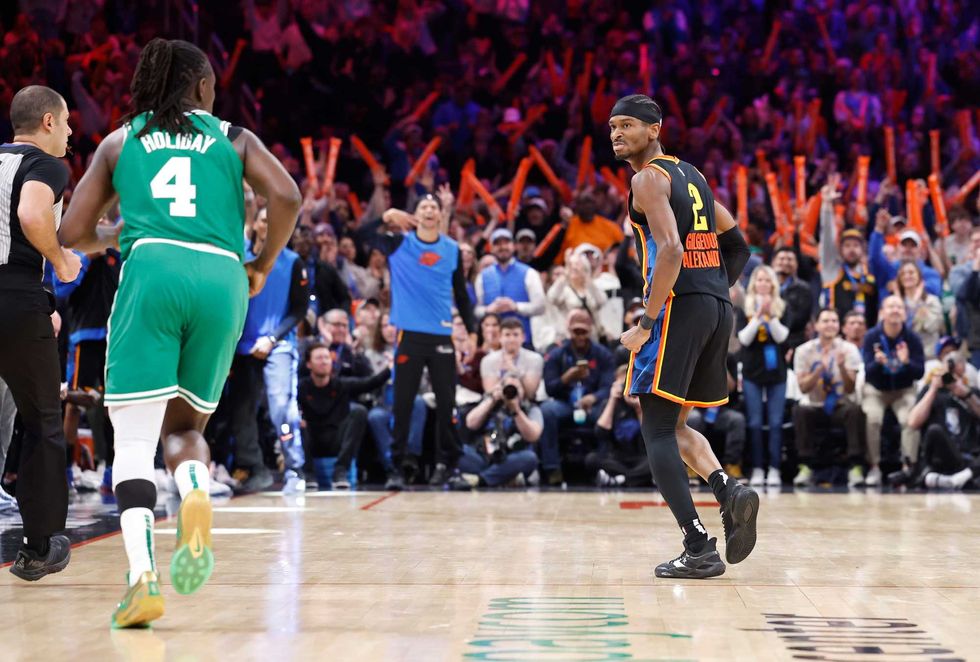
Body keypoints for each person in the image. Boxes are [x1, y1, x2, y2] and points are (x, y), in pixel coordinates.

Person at [60, 39, 301, 628]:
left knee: (135, 441)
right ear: (198, 88)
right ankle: (195, 485)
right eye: (213, 84)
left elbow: (71, 230)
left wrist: (119, 234)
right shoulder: (233, 137)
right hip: (221, 276)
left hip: (154, 272)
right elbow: (289, 195)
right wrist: (263, 263)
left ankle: (142, 578)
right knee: (187, 427)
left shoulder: (122, 140)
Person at [611, 94, 756, 579]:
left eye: (627, 125)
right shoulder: (692, 176)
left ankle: (697, 546)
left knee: (654, 428)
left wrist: (647, 322)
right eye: (612, 126)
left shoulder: (647, 178)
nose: (616, 133)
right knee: (673, 424)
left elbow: (670, 248)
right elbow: (737, 245)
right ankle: (727, 491)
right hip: (715, 309)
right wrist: (711, 287)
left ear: (654, 129)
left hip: (676, 310)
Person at [0, 85, 78, 581]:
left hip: (23, 298)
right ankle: (39, 546)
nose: (71, 133)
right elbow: (30, 214)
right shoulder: (46, 166)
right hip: (15, 299)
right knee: (42, 421)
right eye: (67, 122)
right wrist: (61, 261)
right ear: (48, 122)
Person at [378, 193, 476, 489]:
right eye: (424, 206)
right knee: (403, 405)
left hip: (442, 335)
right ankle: (398, 467)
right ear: (415, 214)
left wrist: (471, 332)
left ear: (440, 214)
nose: (430, 210)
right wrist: (387, 215)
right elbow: (363, 235)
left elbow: (461, 294)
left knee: (448, 405)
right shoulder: (398, 244)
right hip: (409, 336)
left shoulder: (452, 250)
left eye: (434, 207)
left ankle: (450, 466)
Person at [227, 207, 308, 494]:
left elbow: (300, 309)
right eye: (264, 219)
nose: (270, 223)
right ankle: (253, 468)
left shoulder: (293, 261)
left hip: (278, 346)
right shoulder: (238, 257)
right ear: (256, 225)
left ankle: (294, 468)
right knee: (242, 411)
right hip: (241, 346)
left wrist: (272, 338)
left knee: (281, 409)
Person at [299, 343, 391, 488]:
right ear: (309, 364)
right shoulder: (301, 387)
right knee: (293, 421)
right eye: (318, 358)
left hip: (337, 439)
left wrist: (389, 369)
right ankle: (308, 474)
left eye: (326, 358)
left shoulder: (341, 385)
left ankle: (340, 471)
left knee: (359, 411)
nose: (323, 361)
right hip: (311, 440)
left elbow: (370, 383)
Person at [792, 308, 866, 488]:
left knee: (855, 410)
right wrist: (818, 371)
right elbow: (803, 388)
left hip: (840, 405)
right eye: (825, 321)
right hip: (815, 404)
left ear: (839, 326)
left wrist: (841, 367)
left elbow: (849, 389)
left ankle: (855, 466)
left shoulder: (849, 349)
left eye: (834, 321)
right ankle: (805, 466)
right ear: (816, 325)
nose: (830, 324)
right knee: (800, 411)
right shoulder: (803, 351)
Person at [541, 310, 615, 485]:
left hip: (592, 404)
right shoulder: (556, 354)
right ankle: (552, 469)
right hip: (566, 402)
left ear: (590, 331)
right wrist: (566, 378)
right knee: (547, 411)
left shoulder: (602, 354)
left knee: (607, 410)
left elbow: (608, 386)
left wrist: (594, 397)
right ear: (569, 331)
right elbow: (550, 388)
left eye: (584, 332)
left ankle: (603, 467)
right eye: (576, 332)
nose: (580, 336)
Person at [860, 296, 926, 486]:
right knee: (873, 418)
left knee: (909, 420)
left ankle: (908, 468)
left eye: (899, 306)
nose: (895, 310)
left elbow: (920, 372)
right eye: (891, 307)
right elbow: (868, 371)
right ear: (882, 312)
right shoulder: (872, 336)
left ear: (905, 314)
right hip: (876, 390)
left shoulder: (912, 338)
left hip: (904, 390)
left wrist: (906, 362)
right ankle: (874, 467)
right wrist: (878, 363)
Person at [737, 265, 790, 488]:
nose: (763, 284)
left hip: (776, 372)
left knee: (776, 422)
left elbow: (782, 337)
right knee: (755, 422)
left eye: (767, 280)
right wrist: (758, 317)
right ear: (753, 284)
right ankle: (758, 467)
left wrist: (770, 317)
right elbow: (744, 338)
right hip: (752, 371)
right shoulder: (744, 308)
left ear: (773, 285)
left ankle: (775, 468)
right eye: (759, 280)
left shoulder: (782, 306)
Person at [900, 353, 980, 489]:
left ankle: (962, 477)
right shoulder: (930, 391)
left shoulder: (971, 393)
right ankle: (966, 477)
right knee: (934, 430)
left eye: (958, 375)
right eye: (950, 374)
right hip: (943, 453)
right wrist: (933, 389)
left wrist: (967, 395)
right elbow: (913, 422)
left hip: (967, 456)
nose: (953, 379)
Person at [819, 174, 879, 328]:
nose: (851, 250)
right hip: (835, 336)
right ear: (840, 250)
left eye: (855, 245)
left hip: (864, 336)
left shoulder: (869, 274)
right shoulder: (832, 269)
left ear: (862, 249)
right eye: (847, 246)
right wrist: (826, 206)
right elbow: (826, 239)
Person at [474, 228, 546, 342]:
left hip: (523, 340)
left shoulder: (529, 273)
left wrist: (516, 307)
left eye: (506, 243)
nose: (503, 247)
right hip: (493, 342)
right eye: (498, 244)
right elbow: (476, 310)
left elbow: (541, 306)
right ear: (491, 248)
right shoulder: (482, 277)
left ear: (514, 246)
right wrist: (489, 310)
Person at [587, 366, 652, 488]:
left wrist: (639, 409)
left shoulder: (645, 404)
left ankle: (618, 480)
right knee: (591, 459)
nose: (625, 389)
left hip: (640, 458)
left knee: (656, 462)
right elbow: (600, 432)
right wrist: (612, 399)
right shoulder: (609, 404)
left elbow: (649, 438)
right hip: (616, 458)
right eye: (622, 385)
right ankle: (632, 479)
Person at [772, 247, 813, 353]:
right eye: (781, 259)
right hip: (767, 341)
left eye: (790, 259)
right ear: (773, 262)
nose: (785, 262)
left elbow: (801, 319)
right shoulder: (764, 286)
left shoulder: (804, 289)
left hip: (795, 342)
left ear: (796, 264)